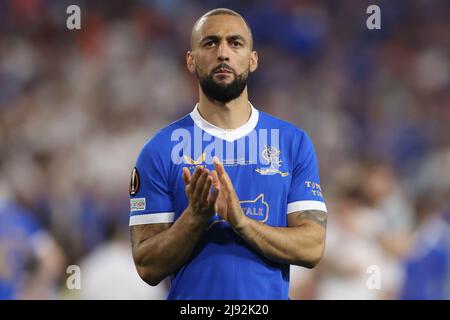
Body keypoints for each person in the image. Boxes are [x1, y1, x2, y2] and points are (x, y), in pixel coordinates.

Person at [129, 8, 327, 300]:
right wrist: (195, 218)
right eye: (210, 43)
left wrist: (242, 223)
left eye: (235, 43)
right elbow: (147, 266)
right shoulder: (159, 151)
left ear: (253, 59)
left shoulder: (292, 143)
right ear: (191, 60)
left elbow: (312, 248)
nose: (223, 53)